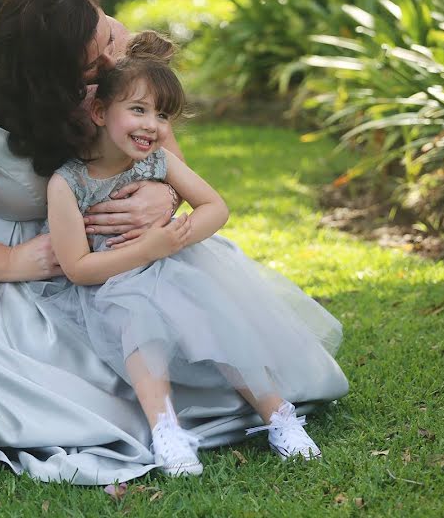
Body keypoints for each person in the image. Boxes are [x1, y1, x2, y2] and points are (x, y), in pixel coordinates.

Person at [0, 0, 346, 486]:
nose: (113, 59)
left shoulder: (87, 28)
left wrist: (161, 196)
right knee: (61, 394)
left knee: (205, 334)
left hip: (116, 246)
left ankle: (263, 412)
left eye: (107, 39)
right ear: (47, 77)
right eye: (96, 60)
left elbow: (159, 148)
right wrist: (12, 262)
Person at [30, 31, 349, 476]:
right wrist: (148, 248)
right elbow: (79, 268)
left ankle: (277, 416)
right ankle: (167, 430)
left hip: (174, 263)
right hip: (110, 282)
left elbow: (216, 207)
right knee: (137, 317)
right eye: (138, 110)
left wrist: (174, 240)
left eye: (162, 116)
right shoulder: (68, 183)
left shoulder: (159, 162)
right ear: (101, 112)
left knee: (213, 309)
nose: (152, 126)